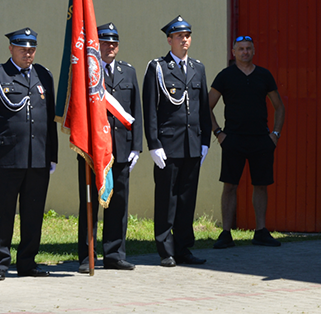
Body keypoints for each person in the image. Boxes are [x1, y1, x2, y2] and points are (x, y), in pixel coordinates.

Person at [0, 28, 58, 281]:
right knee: (3, 212)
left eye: (31, 49)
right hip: (7, 156)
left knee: (33, 212)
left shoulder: (44, 75)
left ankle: (27, 262)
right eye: (22, 49)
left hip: (38, 157)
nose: (28, 53)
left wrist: (52, 154)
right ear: (11, 48)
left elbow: (49, 119)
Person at [142, 16, 211, 267]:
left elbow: (203, 108)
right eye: (179, 36)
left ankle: (183, 248)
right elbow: (149, 108)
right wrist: (153, 143)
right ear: (169, 40)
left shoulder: (198, 68)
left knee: (186, 199)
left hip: (192, 145)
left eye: (187, 35)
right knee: (167, 198)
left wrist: (205, 141)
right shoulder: (158, 68)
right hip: (168, 146)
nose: (185, 40)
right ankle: (165, 250)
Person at [76, 22, 142, 273]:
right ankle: (87, 256)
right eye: (105, 42)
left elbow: (136, 110)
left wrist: (136, 146)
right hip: (93, 151)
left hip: (121, 150)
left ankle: (115, 254)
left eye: (114, 42)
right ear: (97, 44)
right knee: (90, 203)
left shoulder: (128, 71)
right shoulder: (87, 74)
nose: (110, 46)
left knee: (119, 203)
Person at [209, 35, 285, 248]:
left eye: (248, 49)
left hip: (261, 140)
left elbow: (279, 107)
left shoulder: (264, 75)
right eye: (241, 49)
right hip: (233, 139)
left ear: (253, 51)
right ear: (233, 52)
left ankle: (260, 231)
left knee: (261, 185)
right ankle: (225, 233)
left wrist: (275, 135)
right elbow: (207, 106)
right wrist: (218, 133)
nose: (245, 52)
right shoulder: (225, 76)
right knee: (230, 185)